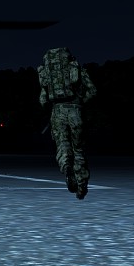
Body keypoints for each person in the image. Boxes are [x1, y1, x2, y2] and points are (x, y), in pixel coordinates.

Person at [37, 45, 97, 199]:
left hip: (57, 111)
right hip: (76, 111)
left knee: (62, 145)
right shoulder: (77, 69)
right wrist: (81, 103)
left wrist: (52, 108)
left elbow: (43, 100)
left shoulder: (47, 73)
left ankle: (67, 167)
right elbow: (92, 91)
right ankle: (81, 186)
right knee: (78, 149)